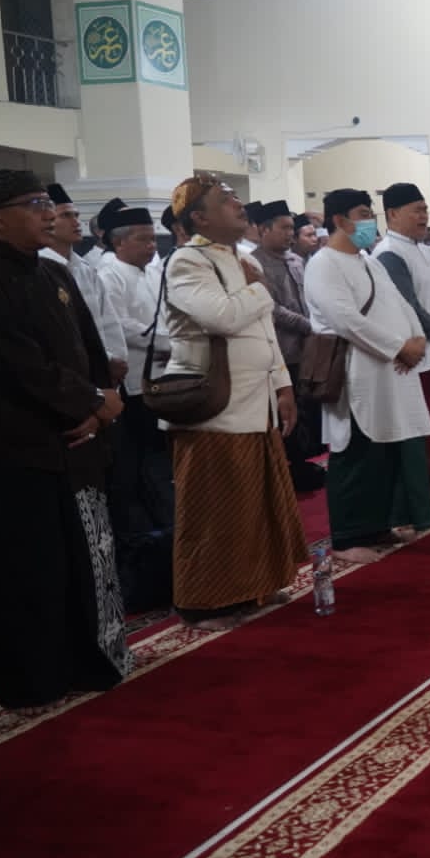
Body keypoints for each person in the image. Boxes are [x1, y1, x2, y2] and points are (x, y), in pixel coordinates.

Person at [0, 171, 131, 709]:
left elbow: (89, 349)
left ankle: (89, 661)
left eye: (48, 202)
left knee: (85, 559)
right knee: (32, 569)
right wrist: (91, 402)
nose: (48, 212)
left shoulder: (54, 273)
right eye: (34, 204)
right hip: (19, 449)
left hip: (77, 440)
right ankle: (35, 679)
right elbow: (18, 364)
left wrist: (100, 408)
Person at [160, 176, 309, 630]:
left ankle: (252, 586)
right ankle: (205, 602)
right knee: (215, 509)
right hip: (214, 406)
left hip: (255, 399)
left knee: (254, 504)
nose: (239, 205)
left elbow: (263, 331)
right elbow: (221, 318)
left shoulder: (241, 258)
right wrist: (259, 289)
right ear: (199, 218)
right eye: (226, 200)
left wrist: (282, 384)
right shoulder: (188, 260)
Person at [304, 188, 430, 563]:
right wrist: (398, 347)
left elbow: (401, 304)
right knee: (356, 452)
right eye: (363, 214)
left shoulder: (367, 261)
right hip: (355, 372)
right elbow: (345, 320)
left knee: (385, 450)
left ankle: (377, 525)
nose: (369, 222)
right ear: (339, 220)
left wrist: (417, 339)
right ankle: (347, 538)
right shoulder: (323, 263)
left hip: (390, 371)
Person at [373, 183, 430, 510]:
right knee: (421, 432)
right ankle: (417, 499)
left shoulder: (426, 251)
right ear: (393, 214)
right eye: (417, 210)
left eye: (425, 209)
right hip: (415, 359)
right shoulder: (389, 254)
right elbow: (408, 305)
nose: (424, 216)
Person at [97, 202, 176, 537]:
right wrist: (166, 342)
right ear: (119, 242)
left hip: (168, 373)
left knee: (168, 449)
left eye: (153, 238)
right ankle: (160, 522)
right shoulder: (109, 276)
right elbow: (121, 325)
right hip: (137, 380)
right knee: (147, 455)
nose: (152, 246)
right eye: (143, 239)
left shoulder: (155, 272)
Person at [252, 201, 325, 492]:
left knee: (306, 409)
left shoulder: (296, 260)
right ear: (263, 229)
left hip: (308, 349)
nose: (289, 234)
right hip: (282, 350)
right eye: (283, 228)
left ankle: (304, 463)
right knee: (285, 412)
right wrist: (308, 325)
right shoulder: (254, 263)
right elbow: (271, 308)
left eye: (291, 228)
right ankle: (288, 469)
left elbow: (311, 298)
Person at [41, 183, 127, 385]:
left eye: (76, 215)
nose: (76, 222)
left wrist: (116, 359)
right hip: (68, 375)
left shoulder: (86, 270)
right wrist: (105, 358)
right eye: (65, 216)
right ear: (47, 221)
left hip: (104, 370)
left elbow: (108, 321)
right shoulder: (40, 269)